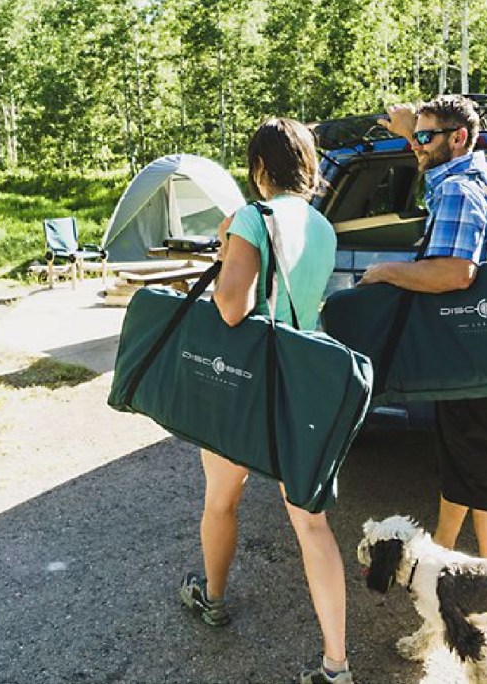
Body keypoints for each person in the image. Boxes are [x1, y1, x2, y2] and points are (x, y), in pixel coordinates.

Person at [179, 117, 354, 684]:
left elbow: (233, 306)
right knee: (311, 525)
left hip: (245, 386)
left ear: (259, 169)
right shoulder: (324, 226)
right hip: (302, 383)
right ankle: (336, 663)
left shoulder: (254, 219)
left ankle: (213, 598)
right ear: (308, 167)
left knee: (221, 502)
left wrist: (234, 238)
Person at [363, 94, 487, 557]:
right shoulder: (480, 176)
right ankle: (444, 554)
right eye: (418, 135)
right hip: (485, 349)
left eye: (427, 137)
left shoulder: (458, 189)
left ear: (459, 139)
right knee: (461, 461)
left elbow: (455, 272)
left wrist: (386, 271)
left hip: (477, 353)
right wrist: (413, 129)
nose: (416, 145)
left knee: (484, 473)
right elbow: (436, 155)